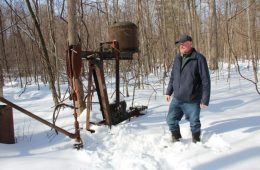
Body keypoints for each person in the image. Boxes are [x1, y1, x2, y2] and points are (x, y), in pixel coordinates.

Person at [165, 34, 211, 143]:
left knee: (194, 123)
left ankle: (196, 141)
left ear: (190, 44)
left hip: (192, 98)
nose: (181, 46)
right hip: (177, 98)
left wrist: (205, 100)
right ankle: (176, 139)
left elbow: (206, 80)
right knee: (171, 120)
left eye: (183, 43)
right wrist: (168, 92)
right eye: (180, 44)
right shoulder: (177, 58)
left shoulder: (199, 58)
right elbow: (173, 77)